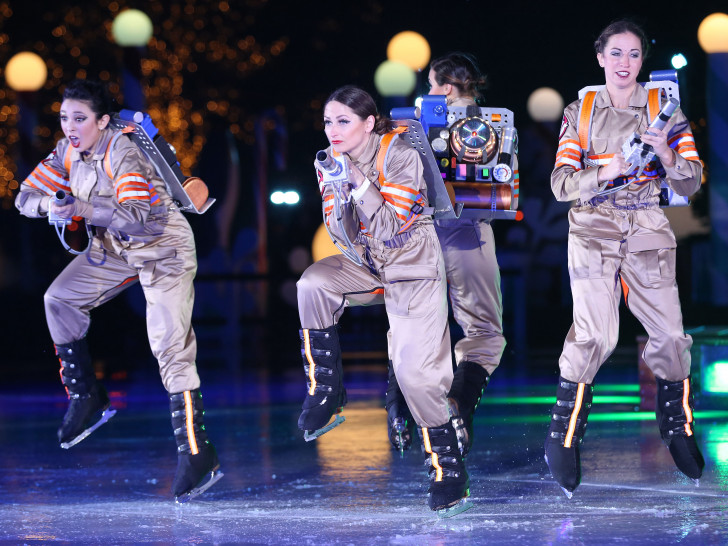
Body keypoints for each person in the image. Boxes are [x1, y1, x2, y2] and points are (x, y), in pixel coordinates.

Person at [15, 79, 222, 503]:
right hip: (112, 249)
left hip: (162, 246)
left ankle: (197, 454)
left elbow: (139, 216)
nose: (70, 127)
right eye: (63, 118)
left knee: (168, 344)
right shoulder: (67, 151)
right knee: (59, 298)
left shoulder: (122, 151)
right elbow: (23, 197)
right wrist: (49, 207)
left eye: (79, 118)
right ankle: (86, 397)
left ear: (102, 120)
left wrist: (82, 208)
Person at [545, 20, 704, 497]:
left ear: (642, 61)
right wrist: (604, 170)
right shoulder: (581, 110)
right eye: (616, 53)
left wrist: (667, 155)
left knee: (672, 334)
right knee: (596, 334)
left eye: (634, 54)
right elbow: (559, 184)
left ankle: (677, 424)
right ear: (600, 57)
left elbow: (693, 181)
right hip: (593, 224)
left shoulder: (664, 108)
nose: (624, 63)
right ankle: (564, 434)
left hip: (647, 223)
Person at [296, 85, 470, 515]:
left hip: (414, 267)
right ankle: (327, 392)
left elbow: (394, 225)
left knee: (414, 374)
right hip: (371, 262)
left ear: (369, 122)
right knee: (312, 284)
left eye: (342, 121)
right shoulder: (328, 163)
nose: (331, 130)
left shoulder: (399, 154)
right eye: (327, 122)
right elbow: (340, 229)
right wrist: (341, 185)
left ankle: (448, 468)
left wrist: (357, 181)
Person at [385, 53, 509, 458]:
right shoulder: (493, 124)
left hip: (418, 239)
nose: (430, 93)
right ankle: (459, 404)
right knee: (484, 333)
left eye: (433, 85)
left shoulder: (410, 124)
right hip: (468, 235)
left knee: (416, 324)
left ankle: (399, 406)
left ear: (448, 88)